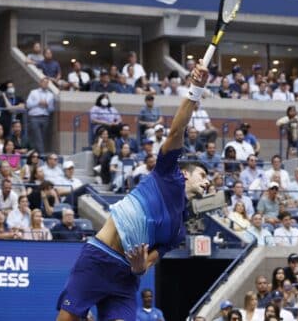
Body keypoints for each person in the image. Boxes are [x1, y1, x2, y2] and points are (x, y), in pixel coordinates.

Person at [55, 63, 210, 321]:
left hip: (125, 277)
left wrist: (140, 267)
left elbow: (148, 262)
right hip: (98, 258)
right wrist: (196, 89)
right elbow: (177, 129)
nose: (207, 183)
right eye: (203, 176)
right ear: (186, 174)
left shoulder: (178, 230)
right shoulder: (167, 174)